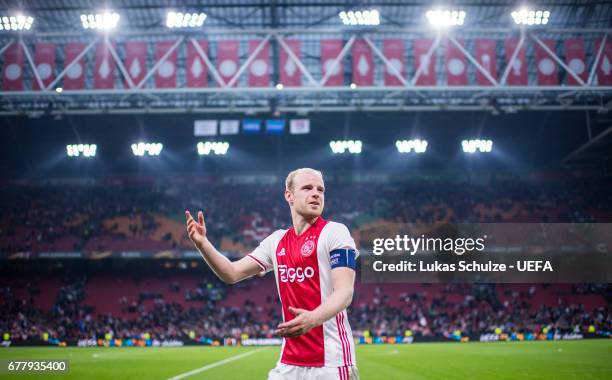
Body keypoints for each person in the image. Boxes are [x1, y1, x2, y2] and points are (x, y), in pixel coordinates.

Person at [186, 168, 359, 380]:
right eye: (307, 188)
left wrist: (313, 319)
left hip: (331, 362)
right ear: (289, 195)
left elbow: (345, 293)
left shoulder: (335, 232)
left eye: (320, 189)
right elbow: (231, 273)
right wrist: (203, 244)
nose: (316, 193)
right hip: (288, 363)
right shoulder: (276, 241)